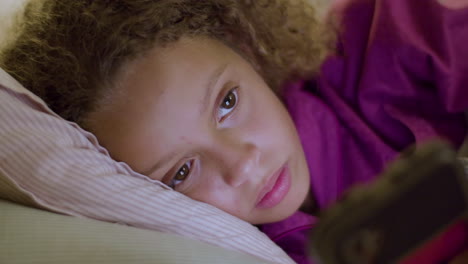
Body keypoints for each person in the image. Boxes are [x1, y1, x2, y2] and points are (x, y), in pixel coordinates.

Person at [0, 0, 466, 263]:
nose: (242, 163)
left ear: (246, 49)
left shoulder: (386, 44)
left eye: (227, 103)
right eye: (182, 171)